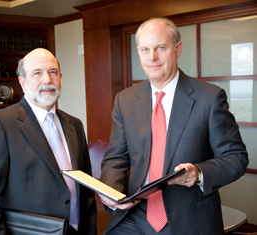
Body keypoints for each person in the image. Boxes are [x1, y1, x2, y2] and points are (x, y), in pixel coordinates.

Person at [99, 18, 249, 235]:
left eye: (161, 47)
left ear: (177, 49)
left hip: (188, 218)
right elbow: (116, 158)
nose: (152, 57)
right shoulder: (125, 100)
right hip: (135, 215)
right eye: (145, 49)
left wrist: (198, 173)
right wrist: (111, 191)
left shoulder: (209, 98)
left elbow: (236, 157)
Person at [0, 48, 97, 235]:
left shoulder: (74, 125)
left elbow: (86, 194)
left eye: (52, 72)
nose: (47, 80)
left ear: (60, 77)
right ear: (22, 82)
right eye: (37, 73)